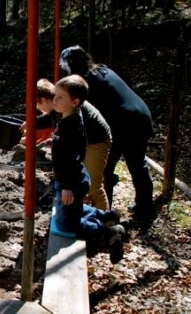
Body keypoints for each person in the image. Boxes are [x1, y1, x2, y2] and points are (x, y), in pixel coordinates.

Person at [59, 45, 155, 220]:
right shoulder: (102, 70)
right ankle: (145, 207)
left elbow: (87, 118)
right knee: (137, 164)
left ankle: (106, 212)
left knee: (107, 167)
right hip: (139, 115)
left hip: (126, 123)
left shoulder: (86, 82)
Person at [51, 75, 125, 264]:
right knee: (72, 209)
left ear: (75, 102)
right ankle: (107, 215)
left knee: (67, 224)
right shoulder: (69, 118)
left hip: (70, 181)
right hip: (73, 178)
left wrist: (67, 185)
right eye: (55, 95)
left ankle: (109, 234)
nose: (54, 100)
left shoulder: (72, 126)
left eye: (60, 97)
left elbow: (71, 158)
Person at [22, 78, 112, 210]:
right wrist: (32, 123)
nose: (39, 109)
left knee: (94, 187)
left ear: (45, 100)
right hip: (83, 142)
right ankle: (89, 213)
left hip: (97, 141)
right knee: (82, 182)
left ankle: (106, 222)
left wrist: (67, 186)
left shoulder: (70, 113)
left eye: (38, 105)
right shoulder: (63, 104)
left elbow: (71, 154)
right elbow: (50, 119)